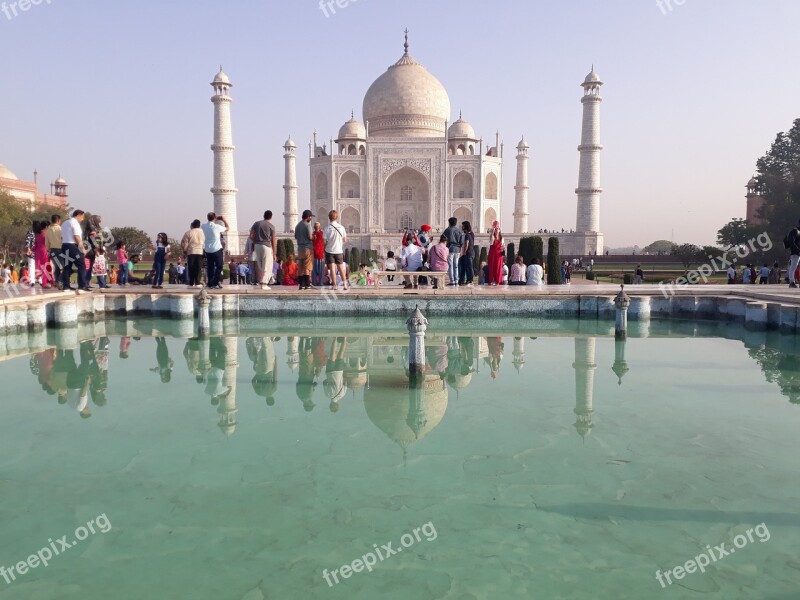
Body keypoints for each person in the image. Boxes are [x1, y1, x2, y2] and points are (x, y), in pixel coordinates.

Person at [61, 209, 88, 292]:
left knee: (67, 267)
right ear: (78, 215)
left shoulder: (65, 223)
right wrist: (82, 249)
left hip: (65, 245)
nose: (82, 219)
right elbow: (77, 237)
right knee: (81, 264)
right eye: (82, 217)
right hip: (72, 246)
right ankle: (82, 286)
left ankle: (66, 287)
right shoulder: (75, 223)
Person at [250, 210, 277, 290]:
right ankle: (264, 283)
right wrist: (274, 253)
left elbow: (251, 235)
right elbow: (273, 241)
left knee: (261, 265)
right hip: (266, 246)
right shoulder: (271, 226)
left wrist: (255, 241)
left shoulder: (256, 223)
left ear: (263, 215)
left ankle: (269, 278)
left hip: (257, 246)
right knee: (267, 265)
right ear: (271, 217)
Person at [323, 210, 348, 291]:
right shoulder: (341, 227)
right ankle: (345, 285)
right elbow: (345, 240)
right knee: (341, 269)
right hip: (339, 251)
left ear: (329, 217)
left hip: (329, 251)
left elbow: (324, 242)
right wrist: (339, 243)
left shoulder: (327, 229)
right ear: (337, 217)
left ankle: (334, 285)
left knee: (332, 270)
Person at [202, 212, 228, 289]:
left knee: (210, 267)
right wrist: (223, 220)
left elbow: (210, 224)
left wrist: (214, 220)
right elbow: (227, 228)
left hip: (208, 250)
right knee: (219, 266)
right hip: (216, 249)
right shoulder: (217, 227)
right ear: (215, 218)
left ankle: (210, 283)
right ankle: (215, 282)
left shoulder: (203, 226)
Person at [294, 209, 315, 290]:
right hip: (307, 248)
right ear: (308, 217)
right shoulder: (307, 225)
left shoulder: (298, 225)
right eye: (311, 217)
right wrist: (314, 237)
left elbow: (296, 236)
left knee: (301, 267)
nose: (311, 219)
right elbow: (310, 237)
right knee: (307, 266)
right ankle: (307, 284)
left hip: (300, 248)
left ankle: (301, 285)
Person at [181, 220, 205, 287]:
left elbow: (184, 242)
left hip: (191, 252)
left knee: (191, 267)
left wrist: (184, 250)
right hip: (200, 251)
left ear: (193, 225)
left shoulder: (189, 232)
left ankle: (191, 282)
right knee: (198, 267)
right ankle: (197, 282)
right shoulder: (203, 232)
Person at [442, 217, 464, 286]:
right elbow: (462, 242)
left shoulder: (447, 230)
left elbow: (443, 240)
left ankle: (452, 281)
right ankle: (456, 280)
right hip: (457, 249)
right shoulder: (459, 231)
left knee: (451, 265)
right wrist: (460, 249)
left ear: (449, 223)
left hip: (450, 249)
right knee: (456, 265)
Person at [34, 220, 53, 289]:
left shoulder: (38, 234)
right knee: (45, 267)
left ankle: (51, 281)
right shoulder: (45, 234)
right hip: (44, 251)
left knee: (44, 267)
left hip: (38, 252)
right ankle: (45, 283)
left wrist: (33, 251)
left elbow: (35, 245)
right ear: (46, 226)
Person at [46, 215, 63, 289]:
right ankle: (59, 280)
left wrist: (48, 250)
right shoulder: (60, 229)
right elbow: (63, 239)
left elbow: (46, 242)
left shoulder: (48, 229)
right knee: (64, 266)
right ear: (58, 220)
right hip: (60, 249)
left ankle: (57, 281)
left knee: (57, 267)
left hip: (52, 250)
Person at [785, 219, 800, 288]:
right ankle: (791, 282)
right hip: (795, 253)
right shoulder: (794, 231)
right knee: (793, 268)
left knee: (793, 268)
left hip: (797, 252)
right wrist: (797, 250)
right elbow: (792, 243)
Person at [459, 221, 475, 286]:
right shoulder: (472, 234)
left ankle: (470, 280)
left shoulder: (467, 235)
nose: (461, 227)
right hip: (472, 252)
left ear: (465, 226)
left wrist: (464, 252)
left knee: (469, 267)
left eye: (462, 226)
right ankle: (468, 280)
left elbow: (467, 244)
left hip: (468, 253)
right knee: (468, 267)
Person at [312, 222, 326, 287]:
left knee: (314, 270)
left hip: (314, 254)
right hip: (320, 254)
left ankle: (314, 282)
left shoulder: (313, 234)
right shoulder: (322, 234)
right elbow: (325, 242)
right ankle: (320, 283)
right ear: (319, 227)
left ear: (314, 227)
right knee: (321, 270)